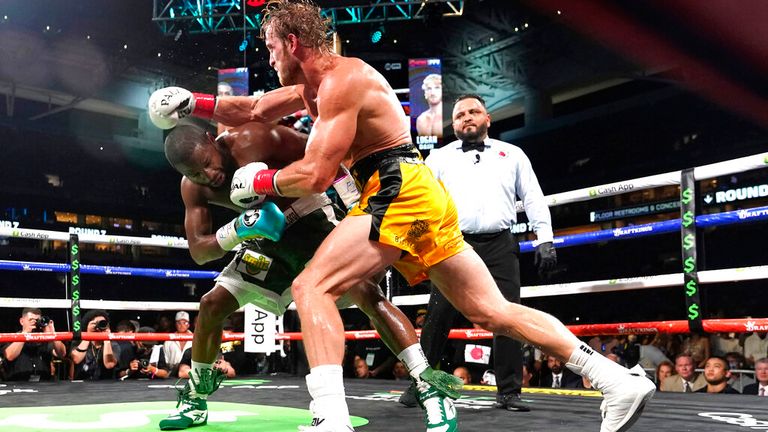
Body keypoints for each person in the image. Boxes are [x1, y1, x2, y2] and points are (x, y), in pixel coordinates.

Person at [148, 1, 655, 430]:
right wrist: (194, 103)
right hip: (414, 190)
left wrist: (260, 182)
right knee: (491, 312)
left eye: (272, 47)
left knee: (311, 287)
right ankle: (616, 380)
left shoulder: (343, 82)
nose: (268, 55)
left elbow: (317, 175)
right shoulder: (314, 87)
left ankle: (330, 416)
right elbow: (255, 109)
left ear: (295, 43)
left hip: (396, 186)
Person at [153, 121, 460, 431]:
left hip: (311, 218)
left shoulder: (253, 138)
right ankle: (195, 397)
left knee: (366, 293)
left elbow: (326, 154)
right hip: (264, 241)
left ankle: (428, 385)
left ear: (212, 140)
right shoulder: (192, 188)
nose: (208, 175)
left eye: (207, 163)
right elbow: (199, 250)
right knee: (211, 305)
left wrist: (354, 202)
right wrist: (238, 229)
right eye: (195, 173)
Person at [400, 93, 557, 412]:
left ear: (488, 118)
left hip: (500, 243)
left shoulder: (512, 154)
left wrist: (545, 239)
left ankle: (510, 391)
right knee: (438, 315)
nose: (467, 117)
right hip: (452, 243)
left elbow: (533, 197)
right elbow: (420, 206)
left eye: (474, 111)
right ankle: (421, 384)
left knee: (509, 314)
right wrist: (412, 248)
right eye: (460, 115)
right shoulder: (438, 159)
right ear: (454, 124)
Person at [1, 308, 66, 381]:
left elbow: (62, 353)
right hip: (18, 383)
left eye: (37, 320)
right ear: (22, 321)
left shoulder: (45, 338)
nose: (34, 322)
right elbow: (9, 356)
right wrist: (25, 333)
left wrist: (53, 334)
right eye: (31, 320)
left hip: (43, 383)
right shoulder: (13, 337)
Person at [70, 310, 121, 380]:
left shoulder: (113, 344)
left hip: (106, 385)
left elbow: (109, 364)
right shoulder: (78, 342)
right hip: (82, 385)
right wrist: (88, 335)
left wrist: (107, 338)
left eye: (102, 323)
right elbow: (76, 359)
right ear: (87, 325)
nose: (98, 325)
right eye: (94, 323)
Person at [415, 74, 443, 138]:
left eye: (437, 88)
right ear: (425, 93)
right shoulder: (421, 119)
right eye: (429, 88)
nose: (432, 93)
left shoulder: (450, 116)